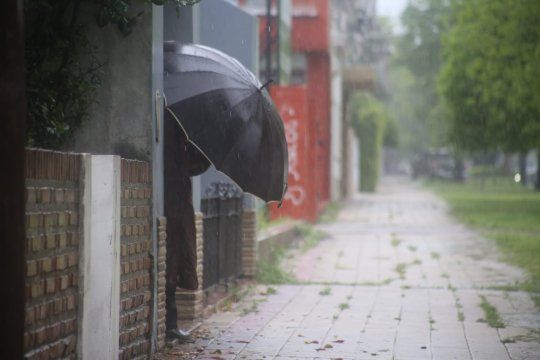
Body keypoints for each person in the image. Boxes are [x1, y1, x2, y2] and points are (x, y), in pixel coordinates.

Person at [164, 111, 210, 341]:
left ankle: (171, 324)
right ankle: (169, 325)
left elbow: (193, 164)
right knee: (170, 262)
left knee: (174, 262)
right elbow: (188, 164)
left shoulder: (181, 132)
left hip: (177, 205)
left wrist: (203, 148)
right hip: (169, 205)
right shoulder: (170, 123)